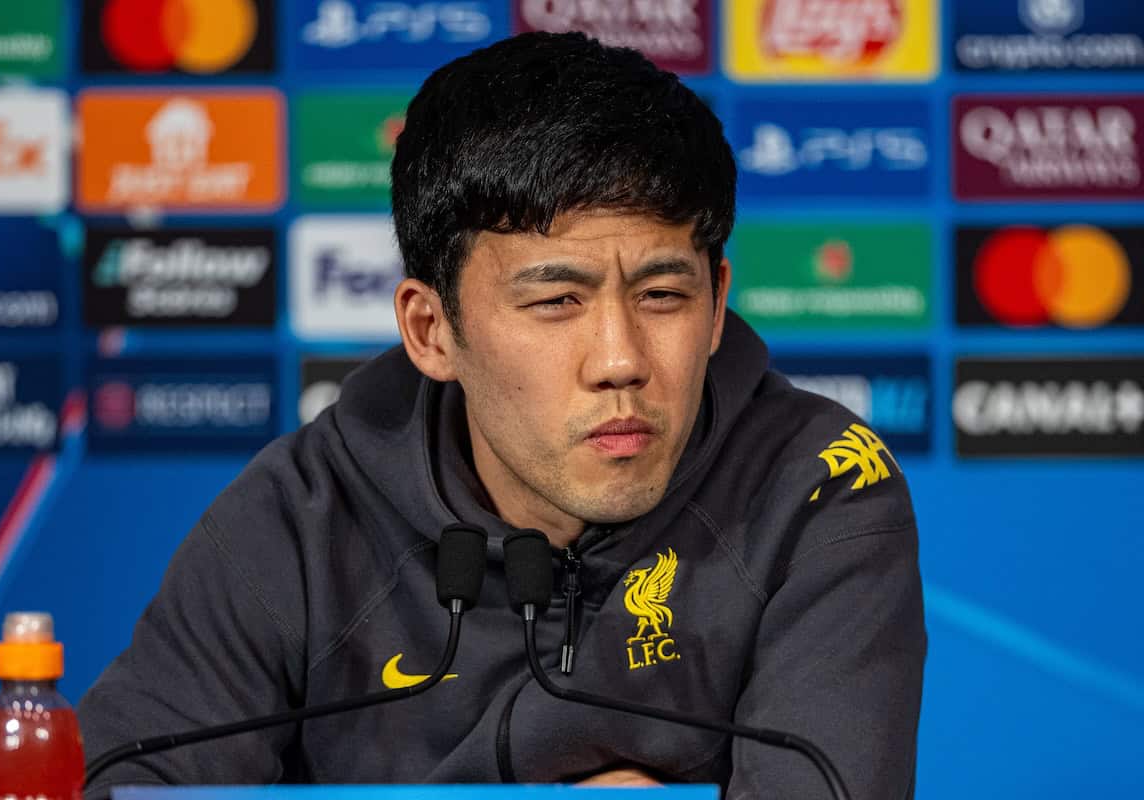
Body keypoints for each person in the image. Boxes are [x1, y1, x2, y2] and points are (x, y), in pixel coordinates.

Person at [78, 31, 926, 799]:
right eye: (557, 301)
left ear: (717, 306)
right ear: (431, 330)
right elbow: (117, 783)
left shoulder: (817, 487)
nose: (622, 360)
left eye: (664, 295)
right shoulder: (299, 519)